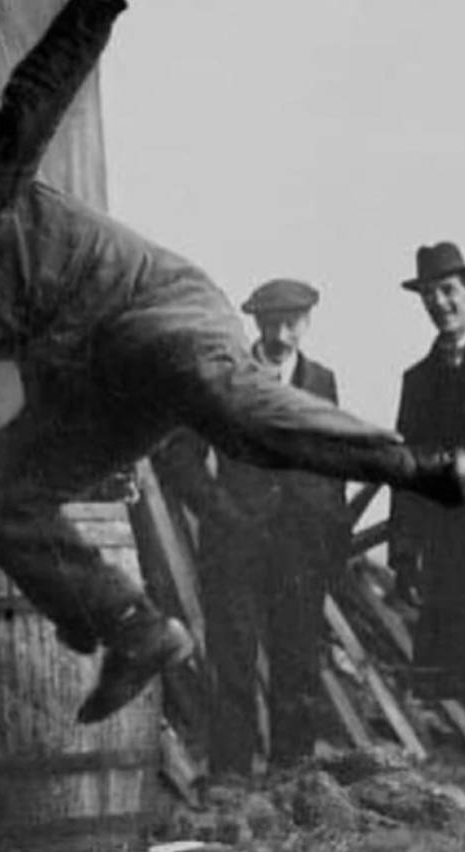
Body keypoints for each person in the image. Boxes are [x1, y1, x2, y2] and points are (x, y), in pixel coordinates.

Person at [0, 0, 465, 725]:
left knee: (220, 406)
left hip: (158, 310)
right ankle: (136, 630)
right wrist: (62, 576)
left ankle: (415, 467)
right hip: (100, 377)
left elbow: (35, 94)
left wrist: (95, 7)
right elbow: (19, 349)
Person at [152, 279, 347, 772]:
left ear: (307, 322)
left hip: (300, 548)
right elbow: (179, 456)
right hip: (235, 545)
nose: (281, 334)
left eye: (291, 322)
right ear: (254, 323)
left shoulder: (322, 380)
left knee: (297, 663)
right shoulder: (223, 379)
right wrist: (221, 511)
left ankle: (294, 779)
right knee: (234, 663)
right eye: (271, 322)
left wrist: (329, 537)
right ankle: (232, 784)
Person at [390, 241, 465, 719]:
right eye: (429, 295)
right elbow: (405, 470)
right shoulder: (418, 380)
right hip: (448, 551)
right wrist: (404, 554)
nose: (439, 303)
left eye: (447, 291)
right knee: (459, 675)